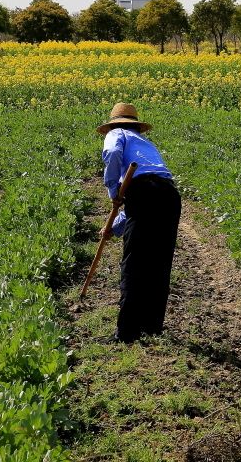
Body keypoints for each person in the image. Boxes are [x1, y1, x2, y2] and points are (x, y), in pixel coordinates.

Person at [97, 102, 181, 341]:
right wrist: (113, 228)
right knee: (159, 261)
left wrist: (113, 190)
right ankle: (152, 326)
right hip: (169, 194)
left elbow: (114, 155)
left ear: (114, 123)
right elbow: (142, 200)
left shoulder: (116, 134)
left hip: (145, 193)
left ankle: (126, 333)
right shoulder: (146, 145)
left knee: (134, 263)